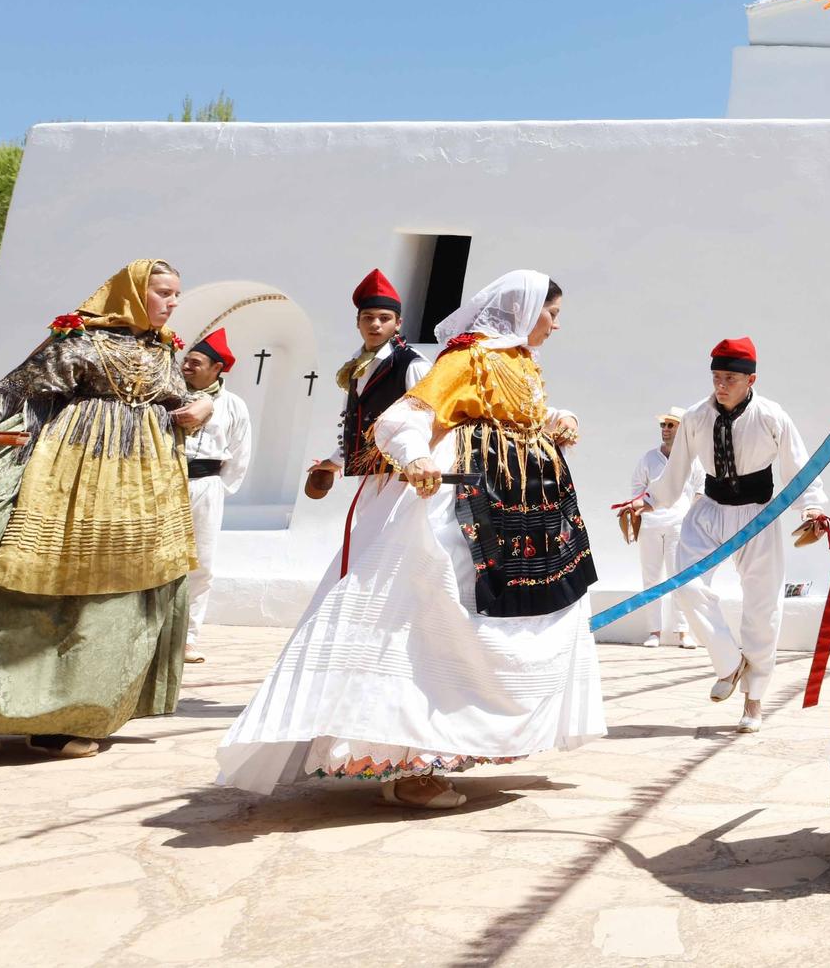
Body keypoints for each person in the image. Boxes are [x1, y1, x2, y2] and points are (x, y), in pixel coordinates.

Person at [217, 271, 602, 808]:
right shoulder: (466, 358)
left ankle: (456, 747)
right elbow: (403, 418)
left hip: (522, 511)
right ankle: (408, 767)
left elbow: (519, 415)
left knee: (519, 620)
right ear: (524, 308)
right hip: (465, 505)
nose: (556, 325)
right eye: (552, 313)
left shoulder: (519, 360)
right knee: (438, 617)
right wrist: (417, 456)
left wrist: (557, 419)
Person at [0, 260, 213, 759]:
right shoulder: (80, 341)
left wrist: (202, 406)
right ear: (133, 295)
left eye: (176, 294)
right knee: (30, 583)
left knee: (114, 602)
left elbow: (187, 398)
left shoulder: (166, 352)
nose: (173, 303)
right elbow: (17, 389)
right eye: (164, 292)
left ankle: (74, 716)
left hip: (143, 488)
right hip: (69, 477)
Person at [628, 339, 825, 734]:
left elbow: (798, 467)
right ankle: (728, 663)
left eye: (730, 379)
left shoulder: (772, 416)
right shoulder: (697, 417)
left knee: (762, 607)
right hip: (709, 512)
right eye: (717, 377)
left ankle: (754, 701)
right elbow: (677, 472)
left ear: (751, 379)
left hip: (758, 516)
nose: (721, 385)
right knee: (686, 585)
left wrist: (813, 507)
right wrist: (647, 500)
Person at [306, 270, 429, 575]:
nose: (375, 324)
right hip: (370, 473)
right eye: (368, 317)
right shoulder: (356, 365)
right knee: (368, 546)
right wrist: (334, 461)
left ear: (398, 323)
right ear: (358, 321)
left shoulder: (411, 364)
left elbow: (427, 421)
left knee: (385, 550)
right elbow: (356, 421)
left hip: (401, 476)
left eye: (384, 318)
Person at [178, 327, 253, 663]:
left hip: (206, 487)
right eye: (185, 361)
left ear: (216, 368)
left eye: (195, 363)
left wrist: (217, 491)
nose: (186, 367)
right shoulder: (169, 395)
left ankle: (187, 639)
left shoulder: (234, 405)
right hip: (165, 482)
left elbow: (239, 453)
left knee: (201, 564)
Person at [620, 408, 701, 649]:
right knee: (651, 576)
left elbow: (701, 489)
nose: (665, 429)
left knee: (680, 577)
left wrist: (690, 516)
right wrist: (638, 512)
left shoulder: (692, 459)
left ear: (681, 428)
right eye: (663, 425)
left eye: (670, 425)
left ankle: (683, 632)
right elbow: (636, 488)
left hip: (680, 524)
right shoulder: (648, 458)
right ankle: (654, 631)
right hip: (651, 525)